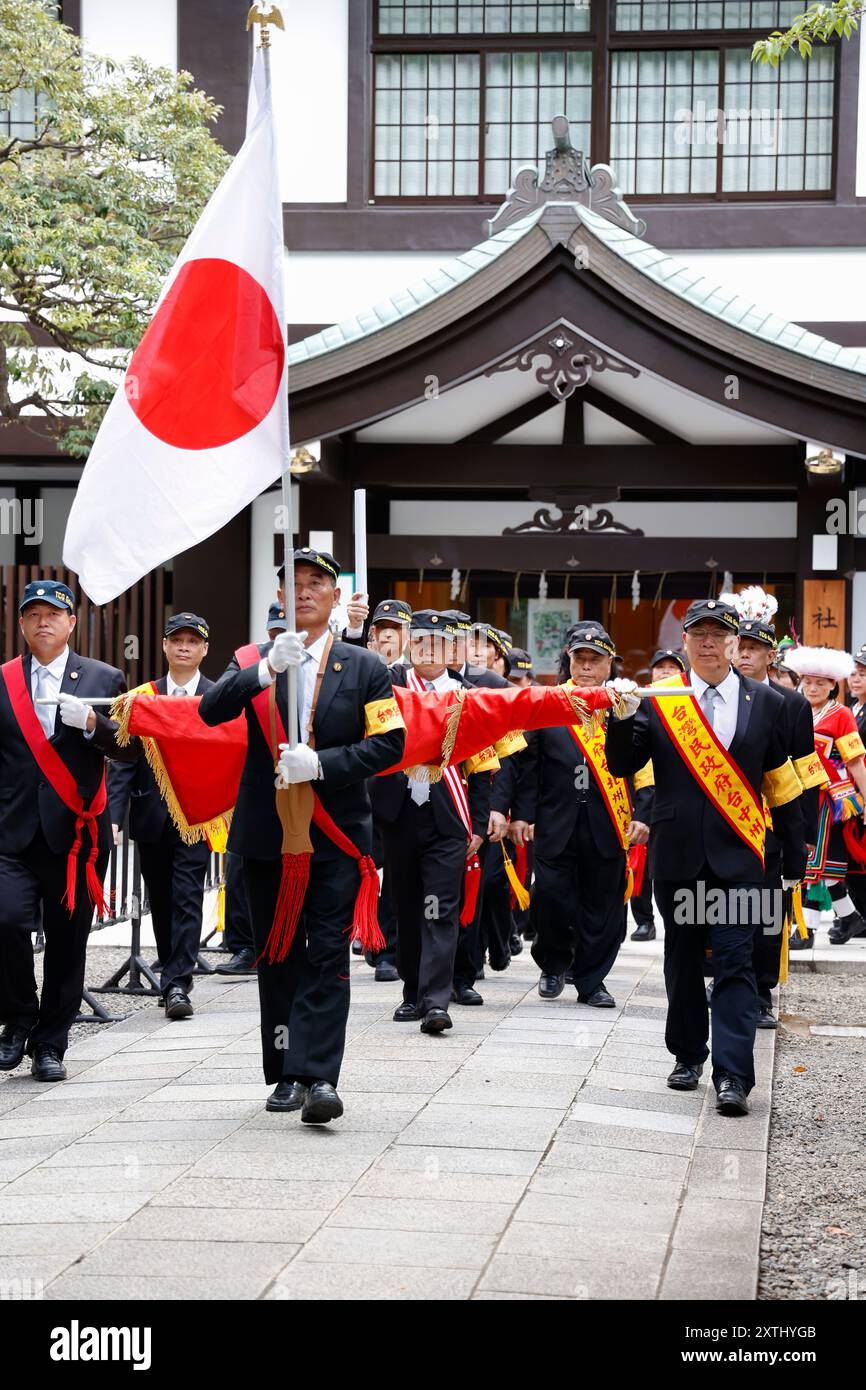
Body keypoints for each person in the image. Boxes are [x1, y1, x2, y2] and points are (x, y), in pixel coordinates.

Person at [199, 547, 406, 1123]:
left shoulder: (363, 666)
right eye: (296, 583)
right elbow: (210, 711)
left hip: (335, 835)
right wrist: (266, 671)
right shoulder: (258, 659)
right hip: (269, 836)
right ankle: (284, 1071)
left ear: (336, 597)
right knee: (278, 954)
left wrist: (322, 763)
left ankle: (318, 1077)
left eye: (319, 582)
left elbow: (389, 744)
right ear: (282, 596)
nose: (307, 591)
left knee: (327, 953)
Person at [605, 598, 806, 1116]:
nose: (710, 643)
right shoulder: (662, 701)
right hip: (678, 857)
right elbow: (624, 761)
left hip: (741, 859)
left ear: (737, 644)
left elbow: (781, 784)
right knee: (683, 959)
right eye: (700, 635)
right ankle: (688, 1055)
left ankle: (734, 1074)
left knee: (737, 961)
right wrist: (621, 718)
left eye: (721, 635)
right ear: (686, 643)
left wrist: (792, 858)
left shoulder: (770, 703)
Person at [0, 580, 132, 1082]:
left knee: (67, 940)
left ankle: (50, 1043)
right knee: (6, 921)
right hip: (11, 832)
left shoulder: (103, 677)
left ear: (72, 622)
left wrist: (94, 724)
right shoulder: (4, 680)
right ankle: (17, 1017)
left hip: (76, 836)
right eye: (33, 614)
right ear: (22, 623)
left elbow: (129, 749)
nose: (43, 622)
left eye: (53, 613)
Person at [512, 622, 649, 1008]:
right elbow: (529, 766)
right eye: (580, 659)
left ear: (610, 664)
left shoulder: (627, 705)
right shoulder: (549, 702)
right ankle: (553, 965)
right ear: (568, 661)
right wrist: (521, 814)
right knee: (552, 898)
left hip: (609, 822)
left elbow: (643, 767)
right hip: (555, 822)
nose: (587, 667)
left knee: (604, 905)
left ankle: (592, 981)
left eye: (596, 660)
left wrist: (646, 812)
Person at [370, 611, 492, 1033]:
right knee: (406, 905)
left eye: (438, 641)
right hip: (400, 814)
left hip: (449, 821)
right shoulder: (390, 687)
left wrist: (477, 824)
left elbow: (481, 769)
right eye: (419, 639)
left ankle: (437, 1000)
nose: (427, 648)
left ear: (453, 649)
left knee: (440, 907)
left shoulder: (469, 695)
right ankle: (412, 991)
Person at [108, 613, 215, 1018]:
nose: (184, 646)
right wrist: (114, 815)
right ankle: (172, 973)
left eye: (193, 640)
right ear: (165, 646)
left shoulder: (217, 696)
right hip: (151, 816)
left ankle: (178, 985)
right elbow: (122, 761)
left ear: (204, 649)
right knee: (163, 899)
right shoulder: (143, 697)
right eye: (177, 640)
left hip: (197, 816)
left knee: (188, 896)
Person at [724, 587, 824, 1020]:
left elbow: (807, 772)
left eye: (755, 648)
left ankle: (761, 991)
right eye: (740, 647)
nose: (746, 655)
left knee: (767, 912)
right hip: (724, 817)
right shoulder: (714, 697)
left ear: (771, 657)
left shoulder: (793, 704)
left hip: (771, 824)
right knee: (718, 906)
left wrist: (800, 835)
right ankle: (723, 980)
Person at [783, 645, 866, 946]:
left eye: (821, 683)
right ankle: (848, 918)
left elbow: (855, 759)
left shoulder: (841, 714)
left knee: (818, 864)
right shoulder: (795, 708)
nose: (813, 688)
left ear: (833, 685)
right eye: (808, 681)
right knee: (816, 865)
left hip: (828, 799)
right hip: (798, 794)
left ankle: (807, 931)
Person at [629, 648, 689, 943]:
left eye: (672, 667)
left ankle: (674, 921)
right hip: (641, 790)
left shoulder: (691, 704)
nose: (665, 672)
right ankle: (643, 920)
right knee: (639, 860)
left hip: (673, 796)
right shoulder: (642, 701)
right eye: (659, 667)